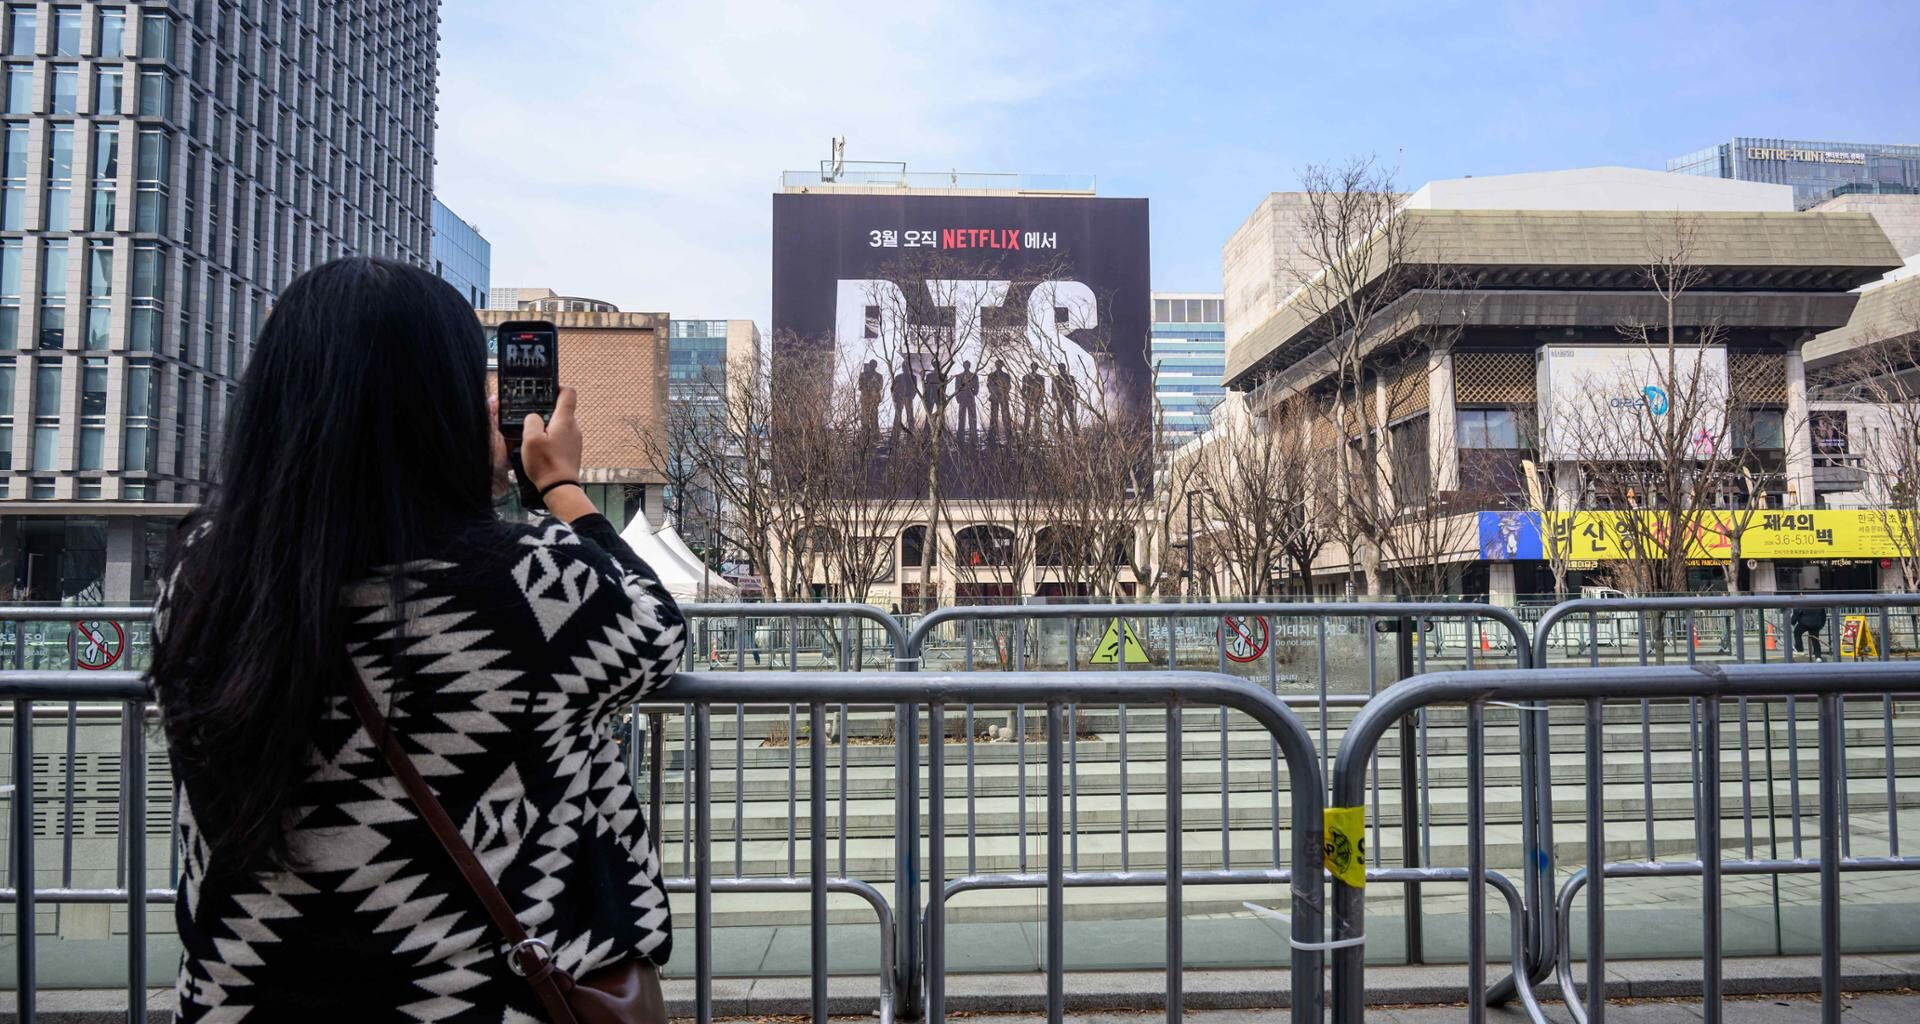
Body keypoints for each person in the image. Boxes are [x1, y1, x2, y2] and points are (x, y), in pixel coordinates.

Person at [148, 258, 686, 1020]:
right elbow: (656, 627)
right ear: (444, 410)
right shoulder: (533, 585)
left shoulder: (202, 578)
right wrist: (557, 484)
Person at [986, 359, 1012, 445]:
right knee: (994, 416)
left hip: (1004, 397)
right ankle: (992, 434)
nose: (998, 366)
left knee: (1006, 416)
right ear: (995, 365)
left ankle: (1008, 434)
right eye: (997, 364)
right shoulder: (991, 375)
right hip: (994, 397)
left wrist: (1002, 392)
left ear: (1002, 365)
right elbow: (989, 385)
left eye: (1000, 364)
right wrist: (996, 392)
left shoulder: (1006, 376)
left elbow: (1009, 386)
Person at [954, 361, 980, 445]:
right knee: (961, 418)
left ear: (969, 366)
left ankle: (973, 436)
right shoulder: (959, 376)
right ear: (963, 366)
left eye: (968, 365)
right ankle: (960, 437)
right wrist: (958, 397)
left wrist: (973, 393)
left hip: (970, 398)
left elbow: (976, 387)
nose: (966, 366)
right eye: (965, 365)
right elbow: (957, 388)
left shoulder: (974, 376)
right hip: (962, 398)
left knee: (972, 417)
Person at [857, 359, 884, 436]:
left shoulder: (879, 376)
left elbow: (880, 387)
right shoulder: (863, 375)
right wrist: (867, 382)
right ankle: (864, 433)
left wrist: (874, 383)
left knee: (874, 417)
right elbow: (860, 386)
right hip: (865, 398)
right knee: (864, 417)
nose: (872, 366)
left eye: (874, 365)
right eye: (871, 364)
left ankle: (875, 433)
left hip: (874, 399)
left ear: (875, 366)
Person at [890, 364, 918, 433]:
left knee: (910, 416)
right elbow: (894, 389)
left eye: (906, 367)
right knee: (898, 416)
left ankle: (911, 433)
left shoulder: (913, 377)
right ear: (902, 368)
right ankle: (895, 433)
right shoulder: (898, 377)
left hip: (908, 398)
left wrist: (911, 396)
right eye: (904, 367)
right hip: (900, 398)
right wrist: (895, 398)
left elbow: (915, 389)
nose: (905, 368)